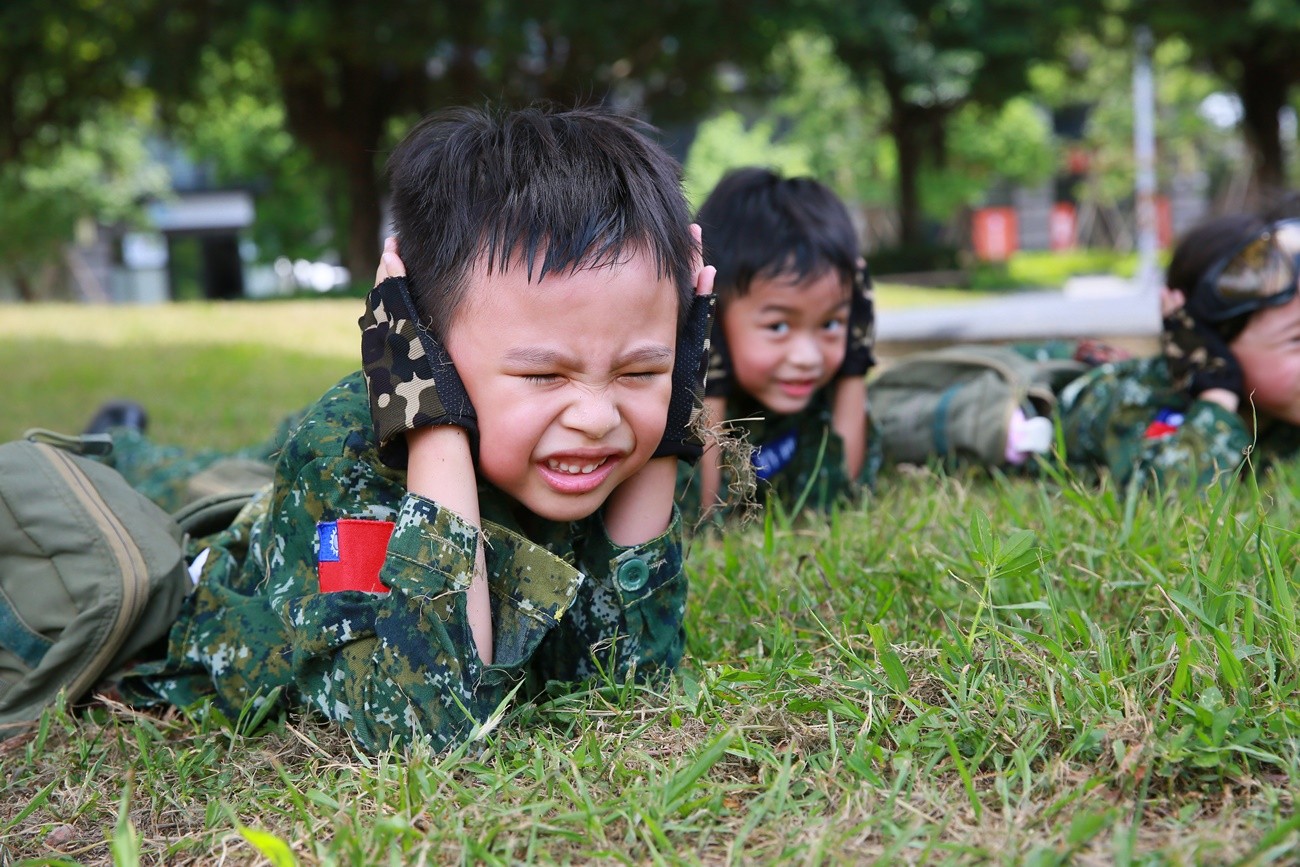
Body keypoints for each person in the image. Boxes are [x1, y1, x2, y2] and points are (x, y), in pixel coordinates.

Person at [116, 104, 717, 754]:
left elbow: (626, 680)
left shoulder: (611, 447)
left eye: (641, 370)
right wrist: (431, 421)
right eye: (543, 376)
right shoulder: (347, 456)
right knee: (154, 472)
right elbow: (428, 726)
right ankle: (119, 435)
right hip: (222, 566)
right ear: (428, 345)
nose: (598, 419)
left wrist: (673, 415)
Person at [685, 167, 879, 519]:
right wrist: (709, 380)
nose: (807, 358)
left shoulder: (822, 403)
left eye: (831, 323)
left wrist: (854, 364)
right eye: (778, 326)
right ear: (717, 313)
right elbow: (703, 512)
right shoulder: (672, 404)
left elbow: (841, 491)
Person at [1059, 213, 1300, 488]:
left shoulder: (1281, 414)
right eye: (1296, 339)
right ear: (1214, 345)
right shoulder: (1143, 398)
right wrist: (1218, 393)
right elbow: (1167, 495)